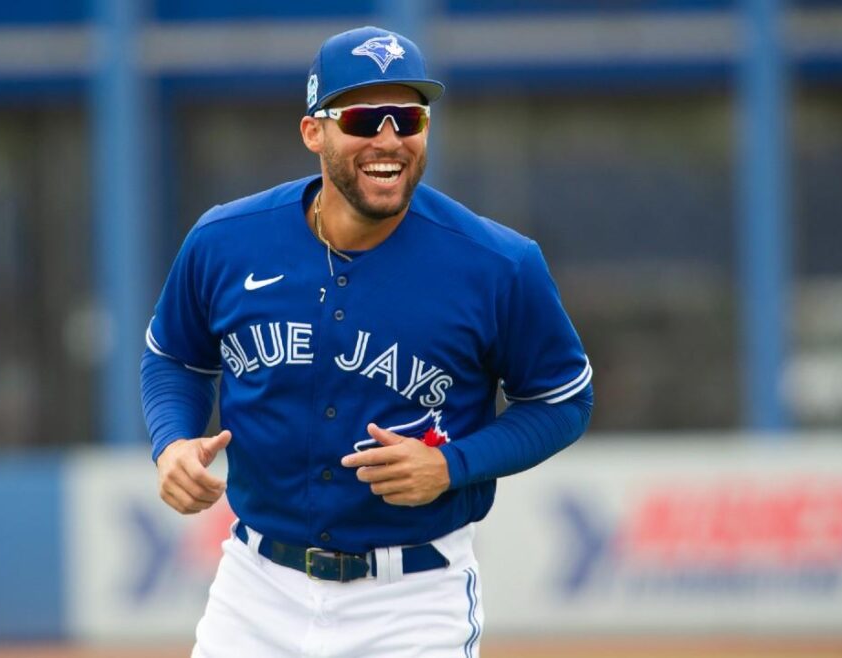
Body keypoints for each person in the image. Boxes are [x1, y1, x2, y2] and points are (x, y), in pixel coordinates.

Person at [141, 25, 593, 658]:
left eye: (408, 117)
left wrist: (451, 465)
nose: (389, 139)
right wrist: (171, 443)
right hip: (257, 589)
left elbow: (563, 401)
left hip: (412, 599)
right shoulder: (225, 241)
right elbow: (173, 360)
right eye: (363, 117)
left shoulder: (498, 264)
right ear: (314, 132)